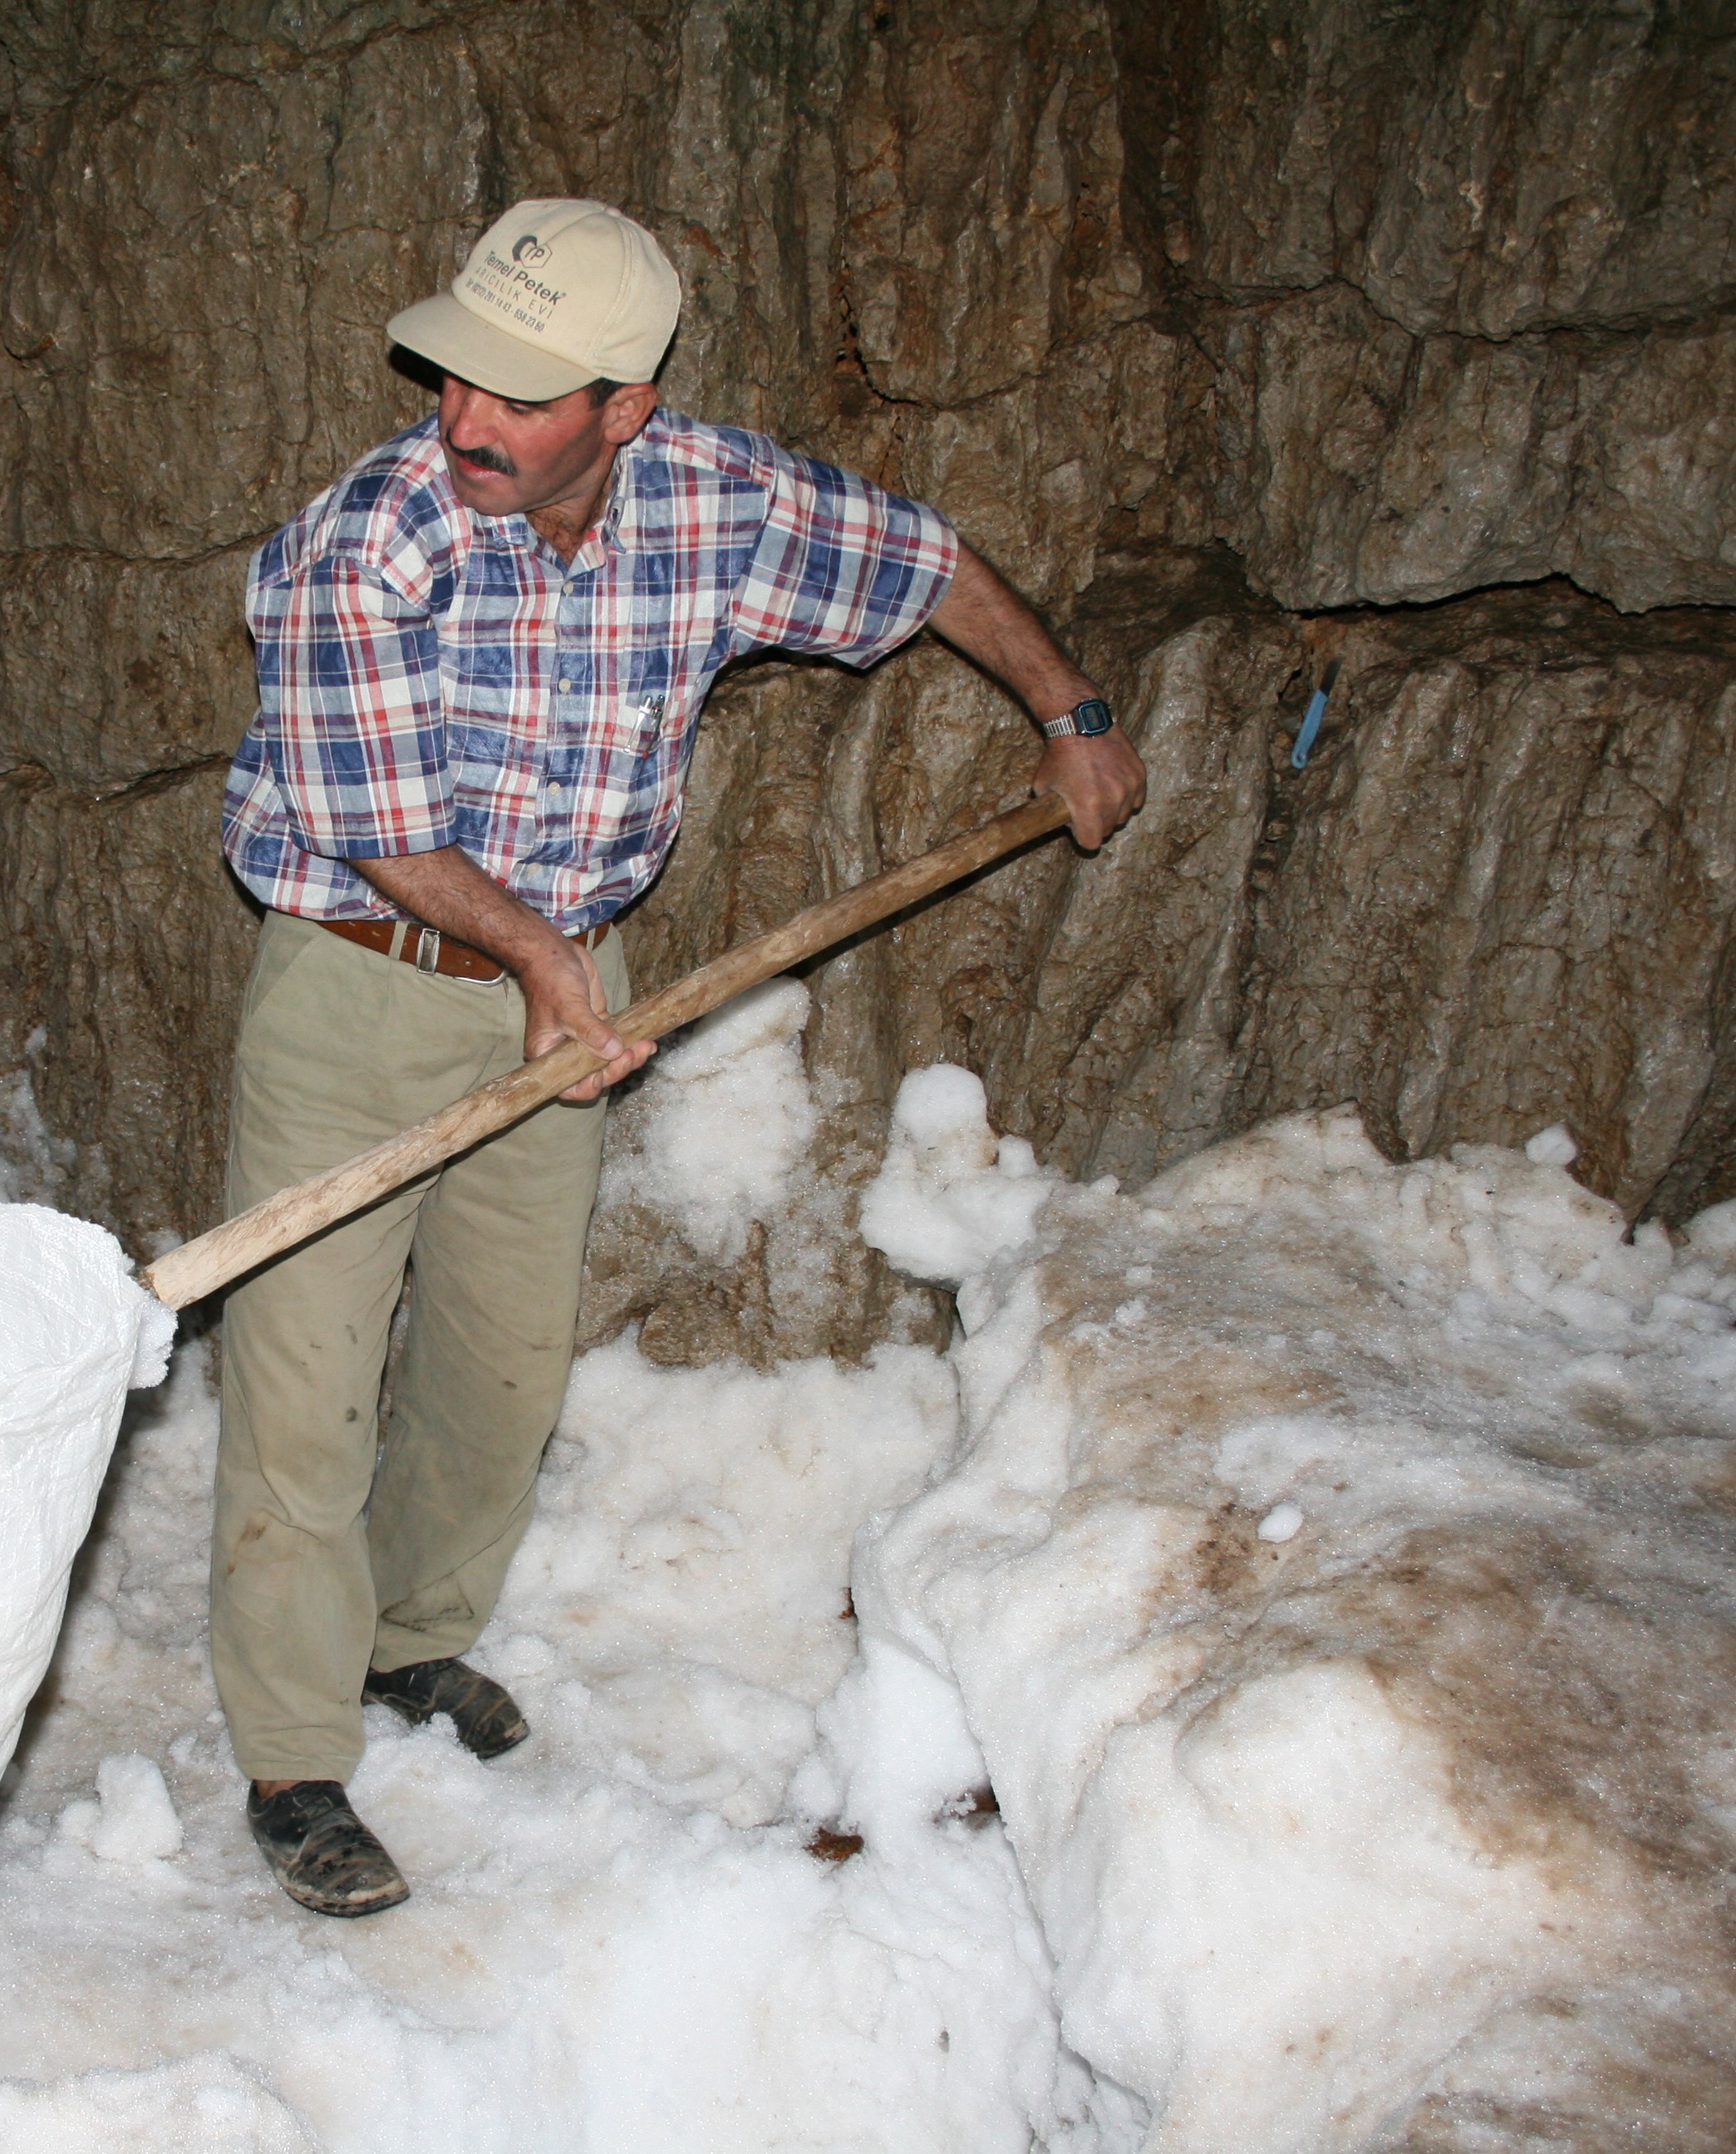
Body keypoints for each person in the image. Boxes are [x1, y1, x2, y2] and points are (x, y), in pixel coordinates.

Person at [212, 199, 1148, 1915]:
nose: (464, 420)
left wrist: (1069, 709)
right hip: (360, 975)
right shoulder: (371, 543)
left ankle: (412, 1642)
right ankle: (291, 1759)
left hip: (564, 977)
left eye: (518, 392)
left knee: (498, 1370)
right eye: (454, 376)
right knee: (306, 1384)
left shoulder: (717, 500)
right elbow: (380, 830)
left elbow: (925, 560)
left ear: (624, 409)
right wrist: (555, 964)